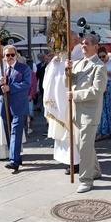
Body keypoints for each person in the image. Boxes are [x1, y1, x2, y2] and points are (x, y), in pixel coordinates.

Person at [65, 33, 106, 193]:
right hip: (76, 111)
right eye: (82, 43)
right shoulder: (78, 63)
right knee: (84, 145)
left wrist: (75, 95)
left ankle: (86, 179)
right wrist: (67, 71)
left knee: (84, 146)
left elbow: (97, 90)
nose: (83, 46)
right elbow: (67, 82)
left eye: (87, 43)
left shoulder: (99, 66)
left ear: (95, 47)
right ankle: (95, 170)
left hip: (89, 112)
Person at [43, 32, 82, 175]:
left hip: (71, 101)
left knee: (74, 133)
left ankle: (76, 162)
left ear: (74, 41)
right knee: (66, 134)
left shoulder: (77, 56)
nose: (62, 45)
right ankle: (70, 161)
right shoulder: (58, 60)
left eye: (66, 41)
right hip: (58, 102)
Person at [0, 45, 31, 171]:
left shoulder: (23, 68)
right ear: (3, 57)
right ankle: (15, 156)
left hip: (19, 105)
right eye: (7, 55)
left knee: (15, 131)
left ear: (16, 55)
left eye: (12, 55)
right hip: (5, 105)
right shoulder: (0, 70)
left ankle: (14, 161)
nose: (10, 57)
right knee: (8, 132)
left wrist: (10, 87)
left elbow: (26, 84)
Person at [95, 47, 111, 141]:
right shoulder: (97, 63)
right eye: (100, 57)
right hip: (100, 85)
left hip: (109, 85)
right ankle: (102, 131)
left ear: (106, 54)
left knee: (110, 108)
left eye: (103, 56)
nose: (102, 58)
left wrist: (110, 74)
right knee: (101, 109)